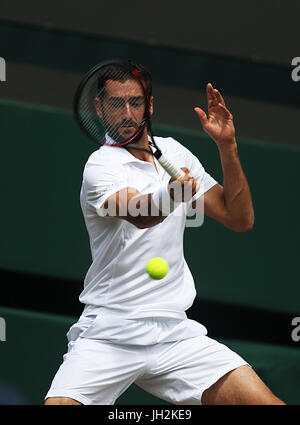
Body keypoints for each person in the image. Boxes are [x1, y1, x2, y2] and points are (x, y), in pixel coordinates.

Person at [44, 61, 285, 405]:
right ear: (99, 108)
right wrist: (172, 194)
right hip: (110, 332)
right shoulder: (100, 167)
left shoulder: (175, 153)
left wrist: (227, 146)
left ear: (150, 105)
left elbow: (239, 218)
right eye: (116, 104)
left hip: (173, 332)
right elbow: (139, 213)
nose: (127, 113)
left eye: (136, 102)